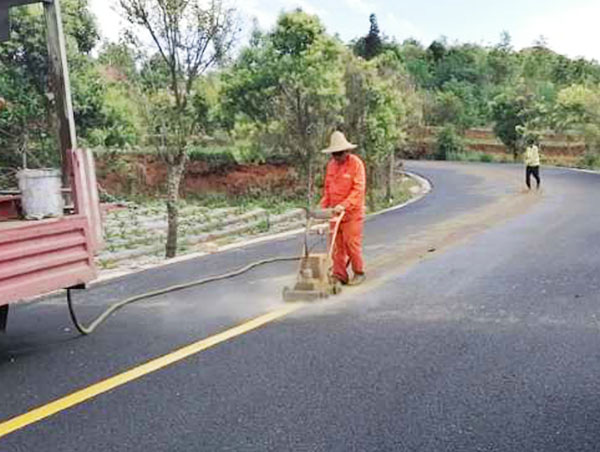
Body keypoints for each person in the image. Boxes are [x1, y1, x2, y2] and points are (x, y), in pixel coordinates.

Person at [320, 131, 366, 286]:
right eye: (334, 154)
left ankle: (358, 272)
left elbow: (358, 190)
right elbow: (327, 189)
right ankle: (340, 275)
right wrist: (322, 207)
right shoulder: (331, 166)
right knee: (336, 245)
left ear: (347, 151)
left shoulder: (356, 164)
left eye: (339, 153)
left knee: (351, 244)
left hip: (351, 213)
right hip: (335, 213)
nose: (337, 157)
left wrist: (344, 205)